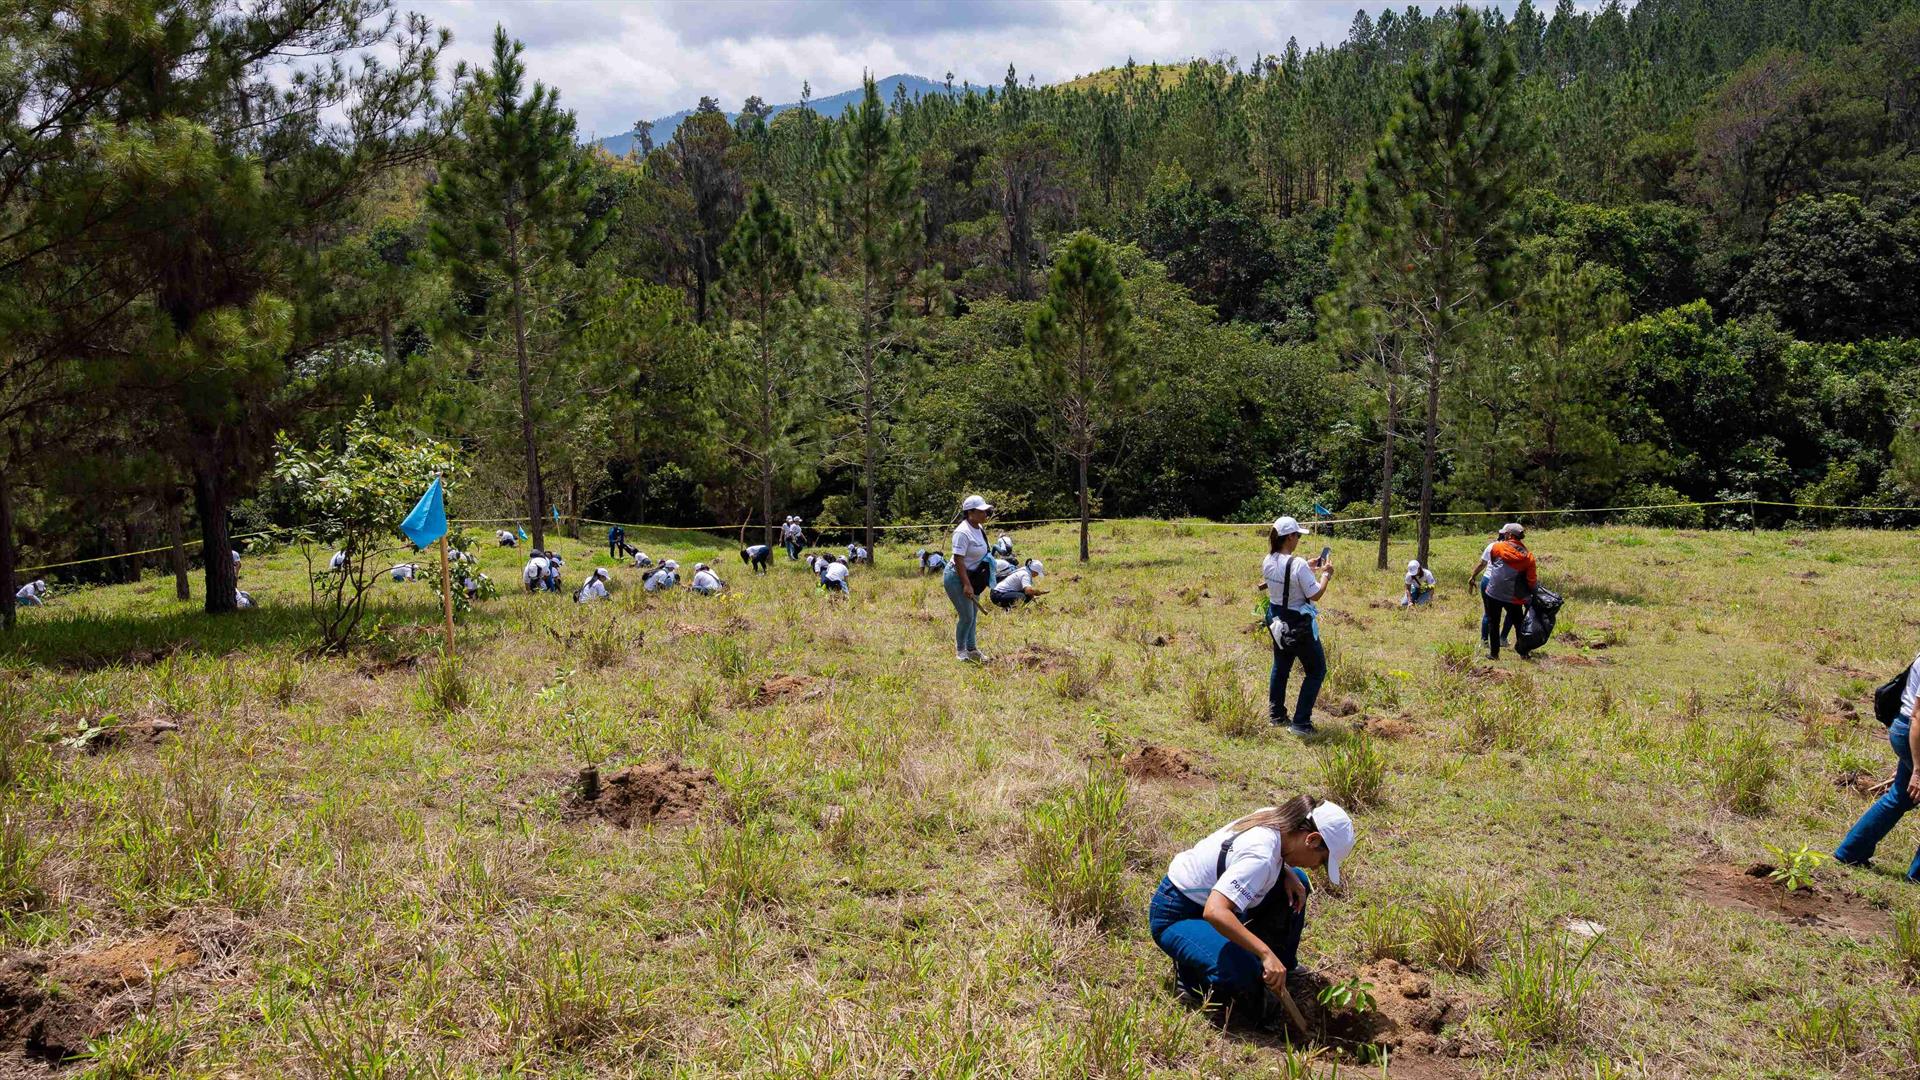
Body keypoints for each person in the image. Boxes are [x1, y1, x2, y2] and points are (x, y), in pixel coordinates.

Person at [1151, 797, 1356, 1025]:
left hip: (1218, 900)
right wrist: (1265, 953)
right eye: (1322, 860)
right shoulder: (1260, 857)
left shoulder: (1281, 822)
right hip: (1180, 913)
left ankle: (1281, 968)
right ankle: (1191, 980)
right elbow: (1215, 911)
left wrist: (1285, 870)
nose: (1317, 867)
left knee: (1298, 881)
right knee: (1242, 971)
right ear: (1312, 839)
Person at [1834, 653, 1920, 883]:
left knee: (1900, 797)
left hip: (1904, 729)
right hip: (1914, 733)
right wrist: (1918, 769)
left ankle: (1851, 852)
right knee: (1902, 795)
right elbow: (1919, 716)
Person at [1261, 516, 1332, 736]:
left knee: (1281, 666)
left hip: (1275, 619)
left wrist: (1307, 567)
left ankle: (1276, 715)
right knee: (1316, 669)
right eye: (1298, 535)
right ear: (1289, 536)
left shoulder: (1268, 559)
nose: (1298, 539)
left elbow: (1283, 579)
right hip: (1297, 623)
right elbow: (1315, 594)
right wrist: (1326, 576)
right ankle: (1301, 723)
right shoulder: (1297, 564)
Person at [945, 495, 997, 663]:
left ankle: (972, 648)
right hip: (957, 577)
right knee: (966, 616)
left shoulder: (979, 527)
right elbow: (959, 560)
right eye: (982, 511)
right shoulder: (962, 532)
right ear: (970, 512)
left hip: (972, 577)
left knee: (973, 614)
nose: (985, 514)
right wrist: (966, 585)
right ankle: (961, 651)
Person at [1481, 523, 1537, 660]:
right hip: (1514, 597)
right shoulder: (1528, 557)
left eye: (1505, 533)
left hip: (1493, 592)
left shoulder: (1497, 547)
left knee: (1493, 622)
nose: (1503, 535)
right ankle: (1523, 653)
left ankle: (1494, 654)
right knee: (1519, 624)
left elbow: (1494, 562)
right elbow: (1531, 580)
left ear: (1510, 535)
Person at [1469, 526, 1514, 653]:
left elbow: (1482, 564)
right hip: (1505, 582)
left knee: (1488, 612)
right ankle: (1502, 638)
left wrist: (1473, 576)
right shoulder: (1513, 548)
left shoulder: (1491, 546)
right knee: (1511, 611)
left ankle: (1484, 640)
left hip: (1488, 580)